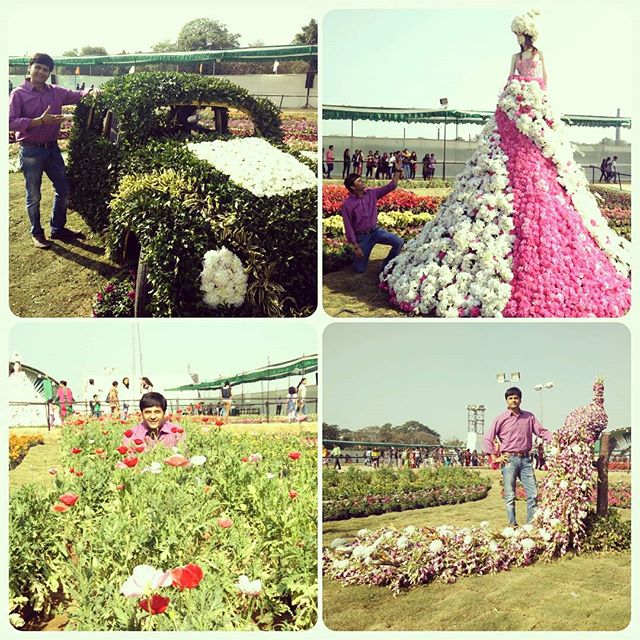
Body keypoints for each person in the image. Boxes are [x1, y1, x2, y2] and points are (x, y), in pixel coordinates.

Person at [380, 10, 630, 318]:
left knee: (541, 163)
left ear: (528, 34)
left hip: (531, 109)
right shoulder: (515, 56)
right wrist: (512, 91)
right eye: (516, 35)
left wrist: (532, 93)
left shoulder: (540, 55)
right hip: (512, 112)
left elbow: (543, 80)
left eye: (519, 35)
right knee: (501, 156)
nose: (517, 40)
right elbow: (509, 77)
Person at [8, 53, 92, 249]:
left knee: (63, 189)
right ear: (30, 68)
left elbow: (78, 95)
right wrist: (39, 121)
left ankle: (58, 228)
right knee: (33, 195)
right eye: (38, 67)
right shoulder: (18, 94)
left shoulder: (55, 92)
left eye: (45, 69)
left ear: (49, 73)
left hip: (52, 149)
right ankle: (37, 233)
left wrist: (91, 92)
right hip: (31, 152)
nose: (41, 72)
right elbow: (10, 122)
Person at [483, 386, 553, 526]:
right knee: (510, 496)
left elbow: (542, 431)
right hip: (509, 460)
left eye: (516, 398)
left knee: (532, 494)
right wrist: (495, 457)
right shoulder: (500, 419)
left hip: (526, 460)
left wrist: (557, 439)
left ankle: (531, 526)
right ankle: (512, 525)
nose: (513, 400)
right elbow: (487, 439)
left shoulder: (529, 417)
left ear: (520, 400)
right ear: (506, 401)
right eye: (510, 398)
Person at [340, 162, 404, 274]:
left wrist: (397, 171)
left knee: (398, 242)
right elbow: (348, 226)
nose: (362, 181)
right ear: (352, 187)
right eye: (359, 181)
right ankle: (356, 258)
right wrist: (356, 246)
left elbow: (391, 186)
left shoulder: (371, 193)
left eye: (361, 179)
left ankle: (385, 265)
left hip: (375, 232)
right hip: (362, 238)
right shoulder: (347, 204)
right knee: (360, 269)